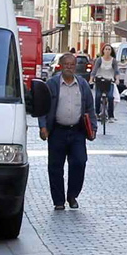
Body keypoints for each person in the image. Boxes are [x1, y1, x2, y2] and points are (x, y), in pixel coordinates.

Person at [42, 50, 96, 210]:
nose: (69, 68)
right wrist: (43, 126)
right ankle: (58, 201)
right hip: (57, 131)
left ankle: (72, 195)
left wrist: (92, 127)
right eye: (66, 65)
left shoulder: (82, 84)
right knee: (55, 167)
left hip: (77, 131)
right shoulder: (52, 84)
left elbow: (90, 108)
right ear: (60, 66)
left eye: (72, 65)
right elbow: (43, 107)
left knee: (79, 162)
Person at [98, 52, 119, 123]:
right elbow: (94, 70)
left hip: (110, 81)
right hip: (100, 81)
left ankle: (111, 116)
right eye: (106, 49)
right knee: (97, 96)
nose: (107, 51)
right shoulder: (99, 60)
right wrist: (92, 79)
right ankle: (97, 113)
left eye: (109, 49)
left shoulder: (114, 61)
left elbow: (116, 71)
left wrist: (117, 79)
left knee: (110, 97)